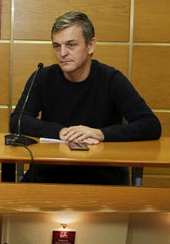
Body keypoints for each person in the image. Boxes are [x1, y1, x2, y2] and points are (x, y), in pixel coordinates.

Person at [10, 11, 161, 184]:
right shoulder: (42, 77)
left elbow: (151, 125)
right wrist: (61, 132)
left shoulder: (111, 79)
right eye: (57, 46)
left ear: (91, 46)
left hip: (101, 176)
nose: (63, 53)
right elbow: (17, 121)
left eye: (71, 45)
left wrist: (100, 133)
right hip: (50, 172)